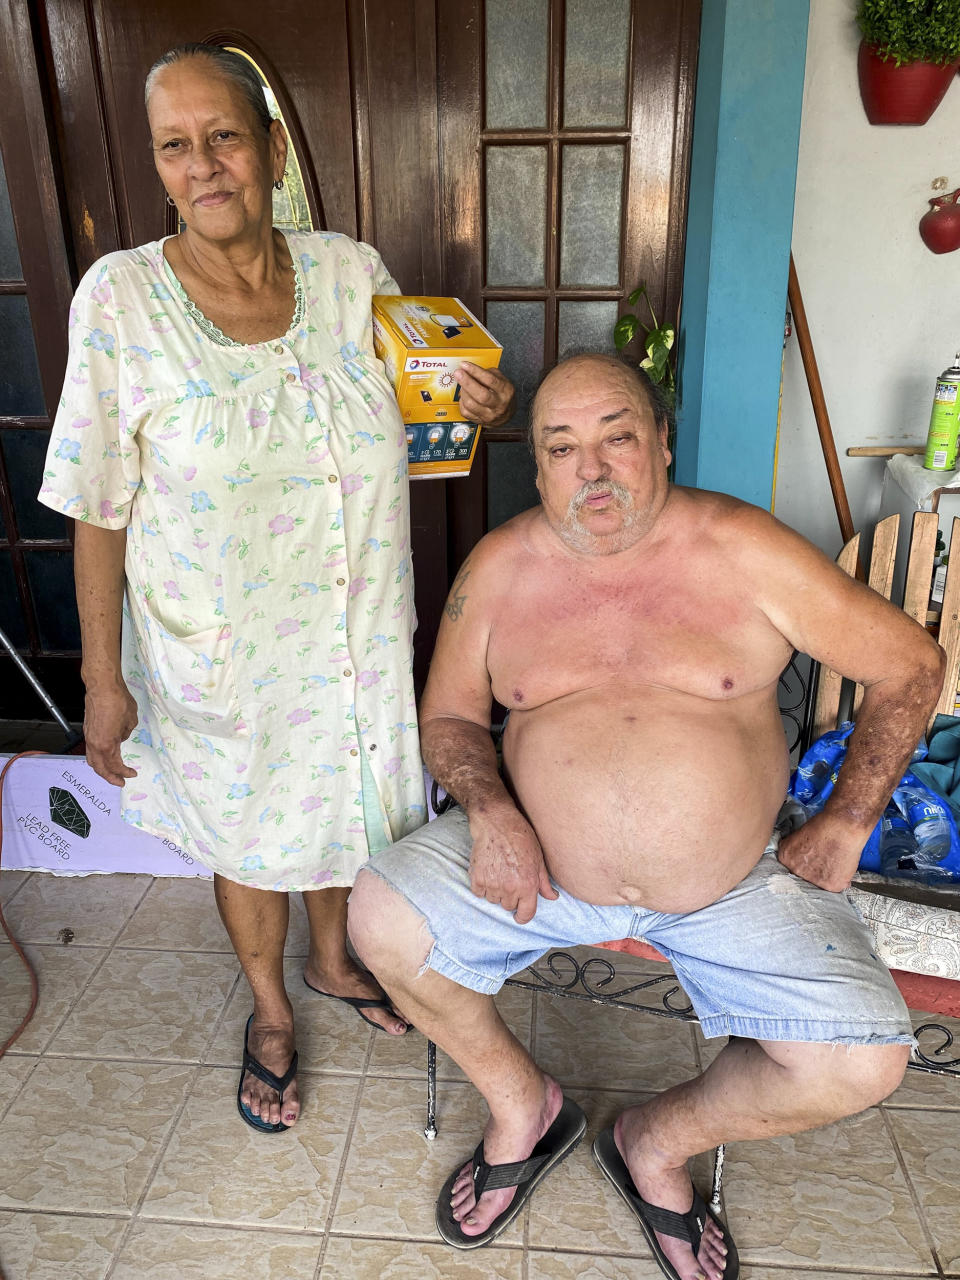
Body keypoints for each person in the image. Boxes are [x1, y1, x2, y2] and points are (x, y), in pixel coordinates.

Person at [347, 353, 945, 1280]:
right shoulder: (500, 568)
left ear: (661, 441)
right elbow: (452, 719)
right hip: (539, 873)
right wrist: (493, 811)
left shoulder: (745, 549)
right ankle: (524, 1108)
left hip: (733, 884)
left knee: (862, 1064)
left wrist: (848, 819)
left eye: (616, 438)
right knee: (379, 919)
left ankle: (655, 1143)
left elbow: (909, 663)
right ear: (537, 464)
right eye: (561, 447)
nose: (591, 470)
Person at [38, 43, 514, 1135]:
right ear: (159, 166)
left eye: (224, 137)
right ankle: (268, 1009)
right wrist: (100, 679)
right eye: (176, 145)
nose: (204, 165)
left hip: (349, 633)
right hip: (219, 649)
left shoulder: (353, 273)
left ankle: (336, 956)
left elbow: (427, 428)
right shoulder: (122, 300)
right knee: (250, 830)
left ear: (270, 148)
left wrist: (475, 407)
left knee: (337, 810)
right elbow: (96, 504)